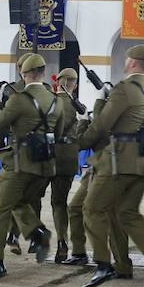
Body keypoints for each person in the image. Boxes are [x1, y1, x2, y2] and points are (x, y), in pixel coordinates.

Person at [75, 44, 144, 287]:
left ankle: (103, 263)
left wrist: (80, 142)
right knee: (128, 213)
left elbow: (102, 125)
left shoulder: (124, 90)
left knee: (92, 208)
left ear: (132, 62)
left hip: (119, 161)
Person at [0, 54, 67, 282]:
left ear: (24, 74)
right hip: (45, 165)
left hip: (20, 163)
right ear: (43, 73)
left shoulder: (19, 99)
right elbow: (57, 134)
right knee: (17, 202)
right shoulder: (56, 101)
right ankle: (37, 231)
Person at [50, 67, 86, 264]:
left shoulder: (52, 102)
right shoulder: (77, 106)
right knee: (60, 201)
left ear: (59, 83)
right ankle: (62, 242)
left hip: (50, 155)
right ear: (75, 85)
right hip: (70, 156)